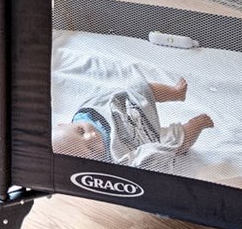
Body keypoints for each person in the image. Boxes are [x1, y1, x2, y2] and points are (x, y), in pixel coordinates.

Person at [53, 72, 212, 172]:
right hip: (145, 139)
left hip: (132, 112)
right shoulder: (114, 159)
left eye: (81, 131)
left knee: (140, 89)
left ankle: (175, 93)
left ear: (63, 124)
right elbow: (139, 163)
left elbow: (106, 97)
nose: (92, 136)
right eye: (90, 149)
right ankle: (196, 126)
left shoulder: (86, 112)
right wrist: (153, 150)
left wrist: (123, 98)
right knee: (175, 142)